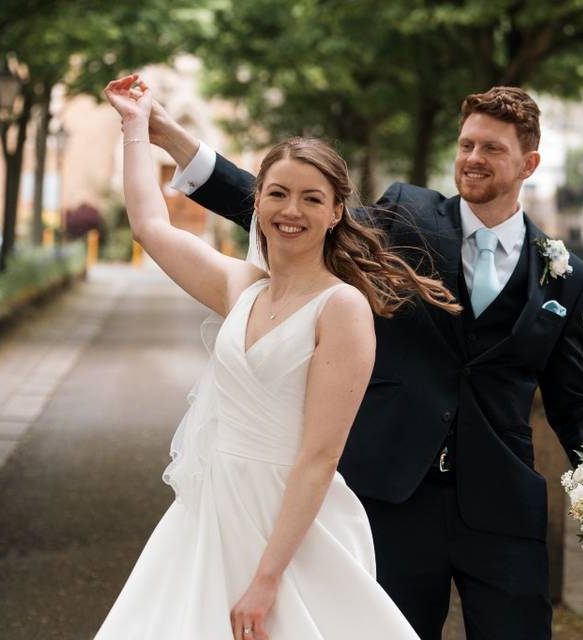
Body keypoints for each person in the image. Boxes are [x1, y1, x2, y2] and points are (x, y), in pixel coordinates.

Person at [151, 84, 583, 639]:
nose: (472, 159)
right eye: (466, 144)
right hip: (393, 498)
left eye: (491, 149)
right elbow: (292, 208)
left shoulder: (565, 274)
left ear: (529, 162)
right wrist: (176, 142)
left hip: (501, 508)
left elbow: (573, 398)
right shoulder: (408, 215)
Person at [96, 74, 458, 640]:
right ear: (258, 201)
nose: (292, 210)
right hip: (209, 513)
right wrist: (136, 125)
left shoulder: (342, 309)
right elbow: (149, 224)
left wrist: (267, 578)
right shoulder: (240, 286)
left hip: (286, 528)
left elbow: (319, 457)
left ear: (337, 212)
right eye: (278, 193)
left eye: (312, 198)